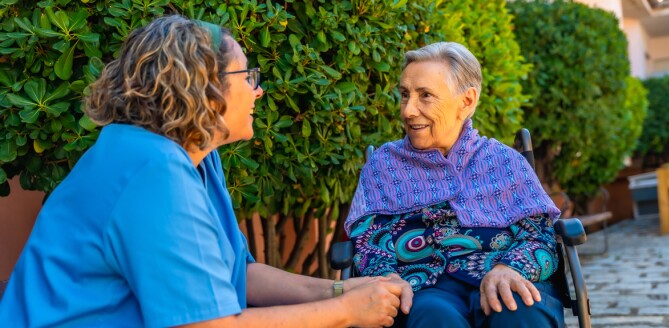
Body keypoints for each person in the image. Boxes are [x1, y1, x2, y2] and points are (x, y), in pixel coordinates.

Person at [0, 15, 412, 328]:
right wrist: (345, 311)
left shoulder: (193, 158)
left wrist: (343, 288)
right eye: (247, 75)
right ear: (202, 87)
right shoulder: (151, 172)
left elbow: (241, 275)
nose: (259, 89)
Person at [345, 42, 565, 328]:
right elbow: (368, 238)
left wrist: (509, 268)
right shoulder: (384, 165)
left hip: (503, 272)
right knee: (432, 317)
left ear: (467, 101)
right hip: (422, 286)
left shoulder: (504, 161)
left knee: (519, 309)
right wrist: (388, 279)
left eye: (425, 95)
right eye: (404, 95)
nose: (408, 111)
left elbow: (540, 238)